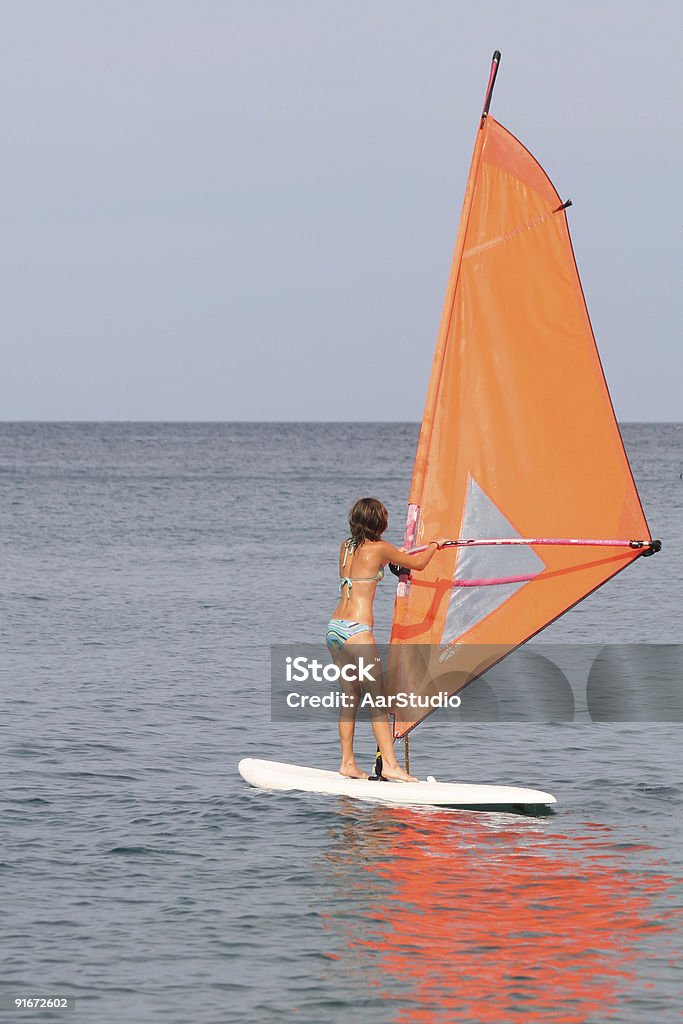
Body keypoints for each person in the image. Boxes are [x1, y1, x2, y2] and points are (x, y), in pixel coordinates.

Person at [326, 497, 447, 782]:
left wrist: (393, 560)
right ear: (378, 522)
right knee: (378, 701)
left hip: (334, 629)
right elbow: (417, 564)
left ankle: (347, 763)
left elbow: (369, 570)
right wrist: (434, 545)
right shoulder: (380, 548)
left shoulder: (346, 547)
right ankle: (390, 764)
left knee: (351, 697)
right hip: (357, 631)